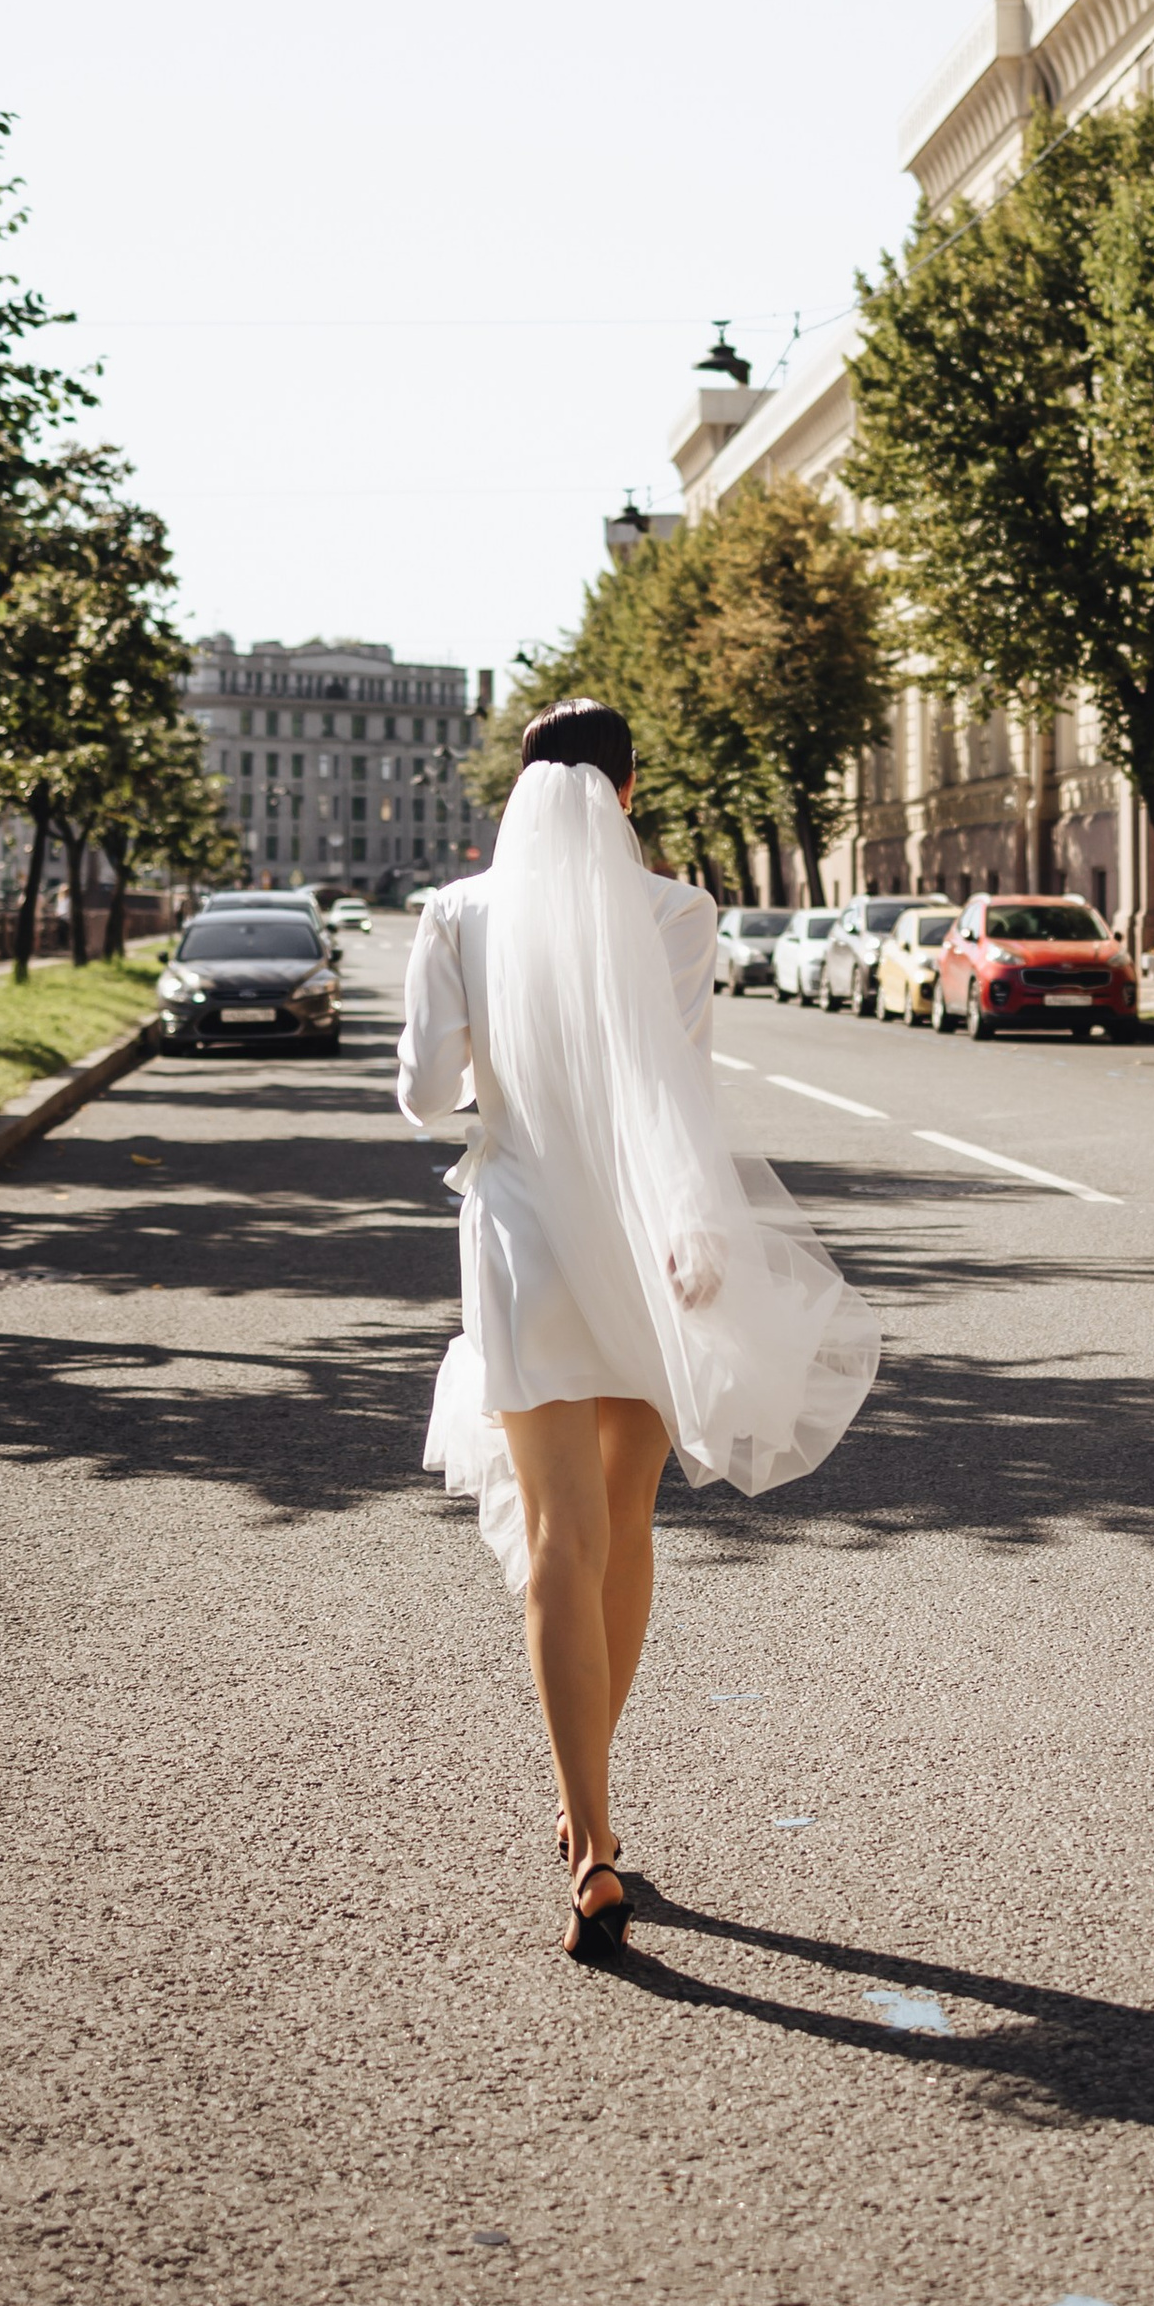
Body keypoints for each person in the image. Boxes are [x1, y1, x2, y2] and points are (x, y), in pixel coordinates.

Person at [398, 697, 880, 1961]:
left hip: (520, 1240)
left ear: (517, 790)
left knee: (557, 1539)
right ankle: (588, 1816)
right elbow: (676, 1089)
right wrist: (698, 1231)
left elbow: (421, 1097)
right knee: (625, 1526)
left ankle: (592, 1838)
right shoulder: (677, 913)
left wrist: (489, 1074)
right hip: (650, 1238)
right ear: (625, 792)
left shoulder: (458, 914)